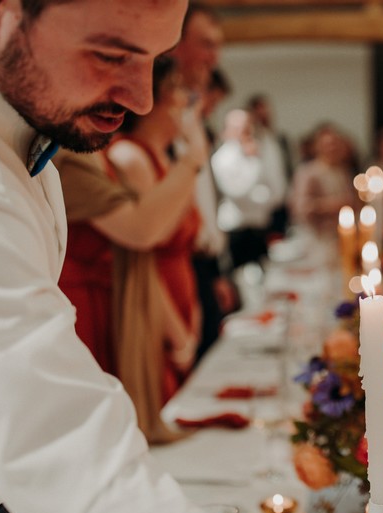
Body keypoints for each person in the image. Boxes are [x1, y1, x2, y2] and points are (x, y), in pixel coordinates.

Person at [0, 0, 319, 513]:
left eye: (154, 59)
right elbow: (69, 456)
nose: (143, 99)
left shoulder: (6, 87)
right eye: (110, 54)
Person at [106, 58, 202, 406]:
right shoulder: (131, 156)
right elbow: (144, 250)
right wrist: (177, 333)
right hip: (154, 307)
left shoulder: (167, 158)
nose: (187, 100)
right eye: (178, 89)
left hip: (182, 300)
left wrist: (194, 313)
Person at [169, 3, 237, 360]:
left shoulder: (194, 113)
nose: (215, 57)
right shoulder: (157, 116)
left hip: (201, 266)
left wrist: (217, 271)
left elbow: (205, 200)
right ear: (174, 42)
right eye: (206, 44)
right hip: (174, 270)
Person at [212, 108, 281, 267]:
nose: (244, 132)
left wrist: (259, 197)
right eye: (239, 128)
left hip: (259, 226)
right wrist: (254, 162)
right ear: (227, 130)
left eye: (247, 127)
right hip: (236, 230)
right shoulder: (223, 158)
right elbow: (238, 193)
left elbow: (275, 190)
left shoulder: (257, 150)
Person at [289, 123, 357, 236]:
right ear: (317, 146)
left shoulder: (343, 171)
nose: (332, 148)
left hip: (340, 234)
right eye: (328, 144)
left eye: (335, 143)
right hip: (317, 235)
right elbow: (300, 208)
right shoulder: (308, 172)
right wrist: (332, 205)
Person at [247, 94, 292, 236]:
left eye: (266, 111)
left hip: (282, 203)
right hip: (262, 205)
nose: (263, 115)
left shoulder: (279, 139)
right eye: (259, 112)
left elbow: (287, 169)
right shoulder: (251, 142)